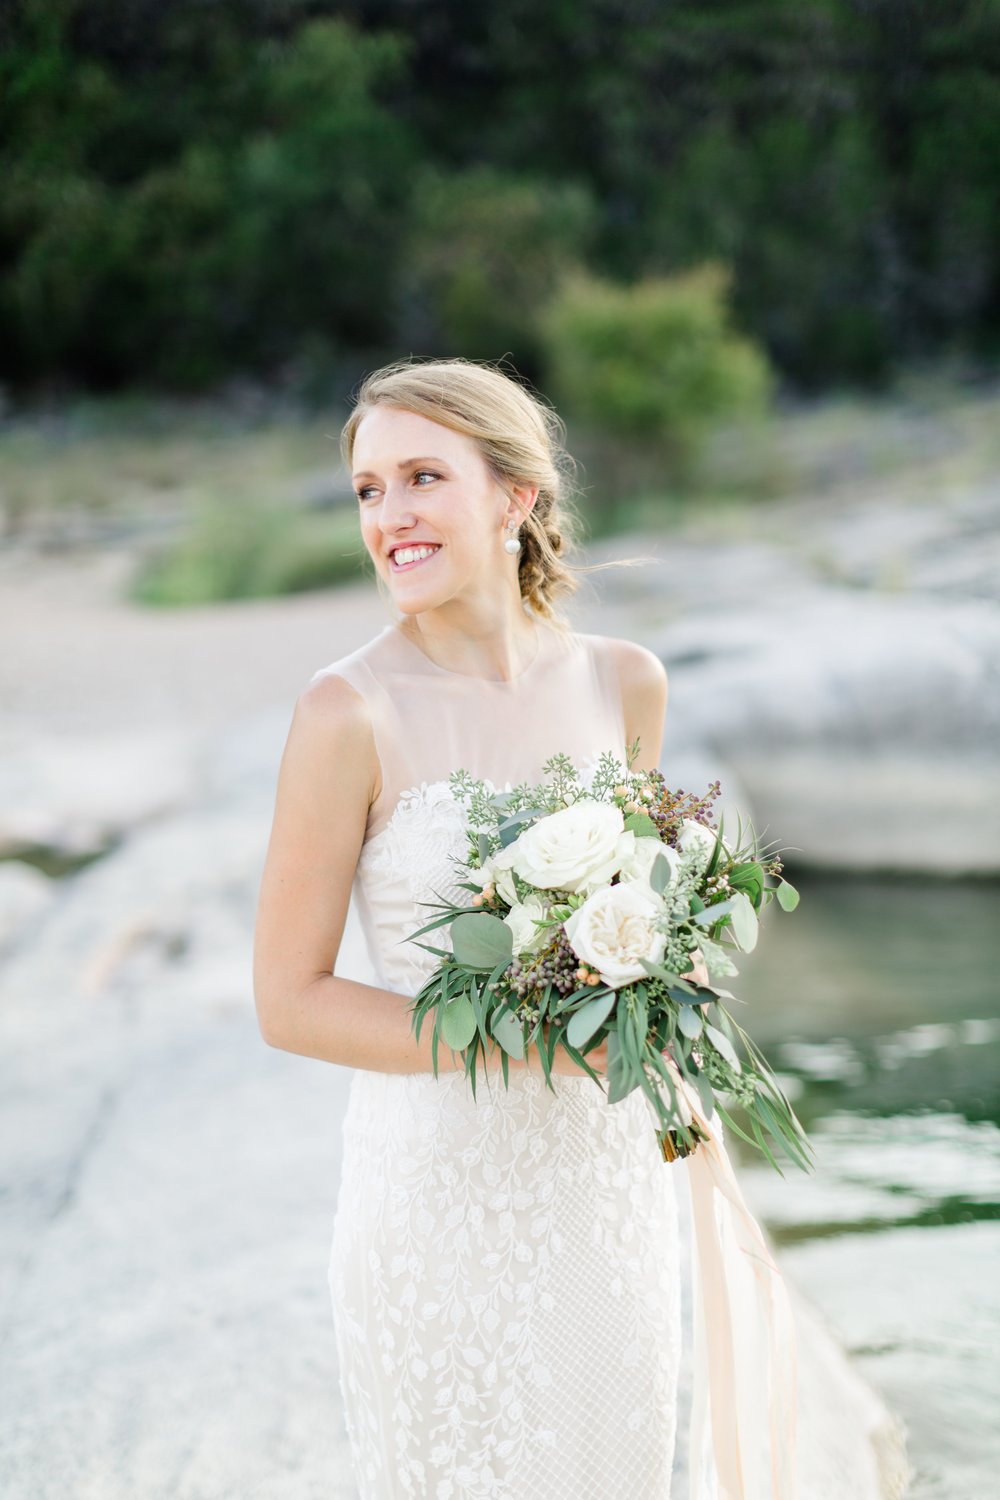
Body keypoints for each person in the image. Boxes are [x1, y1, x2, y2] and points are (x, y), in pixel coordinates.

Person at [253, 357, 794, 1499]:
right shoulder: (346, 710)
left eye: (420, 477)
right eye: (366, 489)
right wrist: (531, 1038)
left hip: (603, 1196)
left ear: (516, 497)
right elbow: (288, 1000)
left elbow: (643, 918)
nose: (388, 516)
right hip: (433, 1198)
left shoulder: (624, 682)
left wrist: (664, 971)